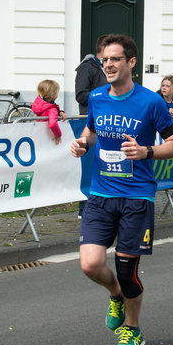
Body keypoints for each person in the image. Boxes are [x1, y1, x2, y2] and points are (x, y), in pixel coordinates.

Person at [70, 34, 173, 345]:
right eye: (104, 59)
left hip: (137, 197)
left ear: (131, 63)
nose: (108, 64)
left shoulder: (151, 102)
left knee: (126, 268)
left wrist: (146, 151)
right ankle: (115, 295)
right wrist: (82, 143)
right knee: (90, 265)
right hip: (101, 194)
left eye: (115, 59)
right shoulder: (96, 97)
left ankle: (133, 330)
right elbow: (91, 131)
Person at [75, 35, 109, 218]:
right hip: (89, 122)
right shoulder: (87, 67)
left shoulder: (107, 68)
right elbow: (80, 95)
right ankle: (84, 208)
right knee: (88, 167)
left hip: (106, 123)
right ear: (102, 49)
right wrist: (104, 94)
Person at [31, 79, 67, 145]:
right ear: (53, 94)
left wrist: (60, 112)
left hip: (38, 132)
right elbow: (53, 124)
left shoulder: (38, 103)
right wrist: (58, 135)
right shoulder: (52, 109)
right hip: (48, 135)